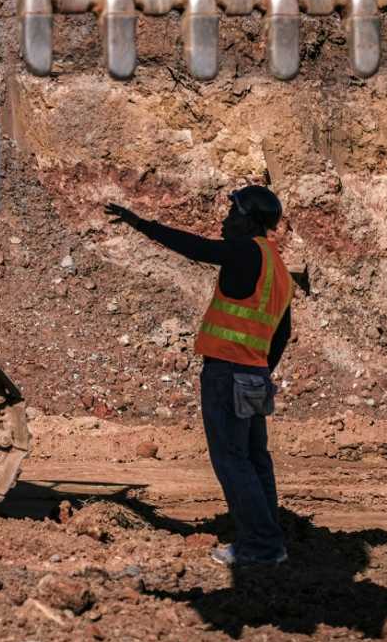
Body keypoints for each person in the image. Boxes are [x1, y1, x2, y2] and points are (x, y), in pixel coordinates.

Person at [106, 185, 293, 566]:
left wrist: (141, 224)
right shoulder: (280, 268)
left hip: (228, 372)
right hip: (255, 373)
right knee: (256, 459)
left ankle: (260, 545)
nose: (225, 221)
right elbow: (283, 332)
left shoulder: (245, 250)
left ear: (249, 219)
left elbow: (197, 249)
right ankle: (268, 538)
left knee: (232, 460)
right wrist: (258, 367)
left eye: (232, 214)